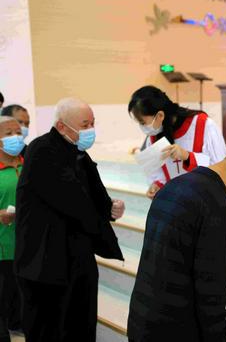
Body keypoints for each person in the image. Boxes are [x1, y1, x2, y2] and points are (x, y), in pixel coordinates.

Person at [128, 86, 226, 341]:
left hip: (209, 216)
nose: (144, 128)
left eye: (144, 121)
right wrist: (157, 186)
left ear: (160, 115)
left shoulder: (202, 125)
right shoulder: (153, 137)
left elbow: (225, 168)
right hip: (177, 221)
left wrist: (189, 156)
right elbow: (158, 174)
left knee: (213, 282)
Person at [14, 98, 126, 342]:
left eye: (92, 123)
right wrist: (100, 216)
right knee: (51, 330)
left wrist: (110, 208)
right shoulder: (42, 149)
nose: (90, 130)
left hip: (76, 256)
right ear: (62, 126)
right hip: (44, 262)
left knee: (81, 325)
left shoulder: (77, 152)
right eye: (85, 124)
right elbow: (71, 199)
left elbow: (93, 191)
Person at [128, 150, 226, 342]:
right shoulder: (217, 204)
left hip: (142, 314)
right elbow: (210, 284)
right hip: (176, 326)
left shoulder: (174, 185)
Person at [0, 117, 25, 342]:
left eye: (18, 132)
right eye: (8, 133)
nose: (16, 137)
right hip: (2, 247)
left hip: (27, 245)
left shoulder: (29, 164)